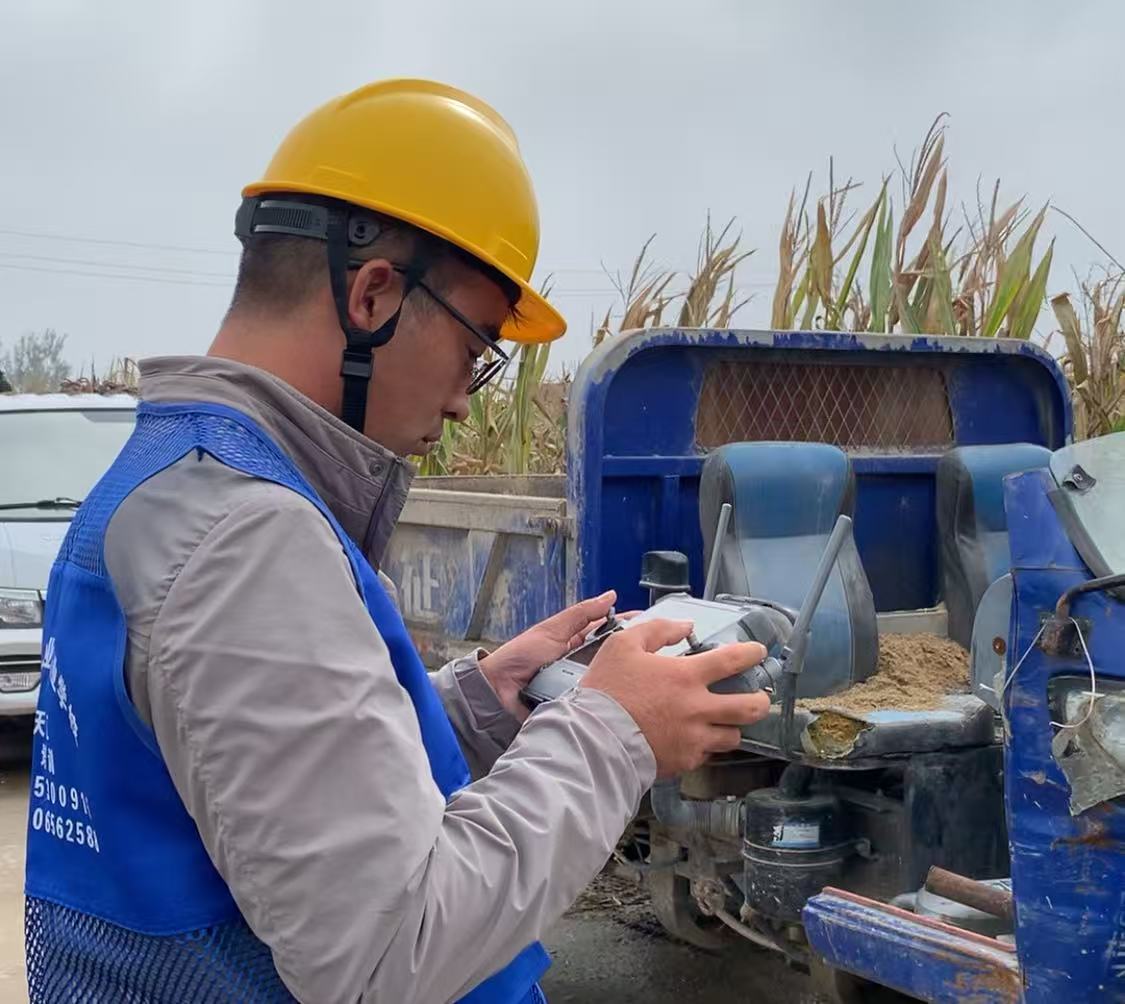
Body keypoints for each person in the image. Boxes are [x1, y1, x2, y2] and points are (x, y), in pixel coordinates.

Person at [24, 78, 770, 1003]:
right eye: (475, 349)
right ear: (374, 294)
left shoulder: (167, 483)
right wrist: (613, 732)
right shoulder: (248, 537)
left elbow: (236, 779)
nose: (463, 401)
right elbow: (385, 955)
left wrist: (473, 708)